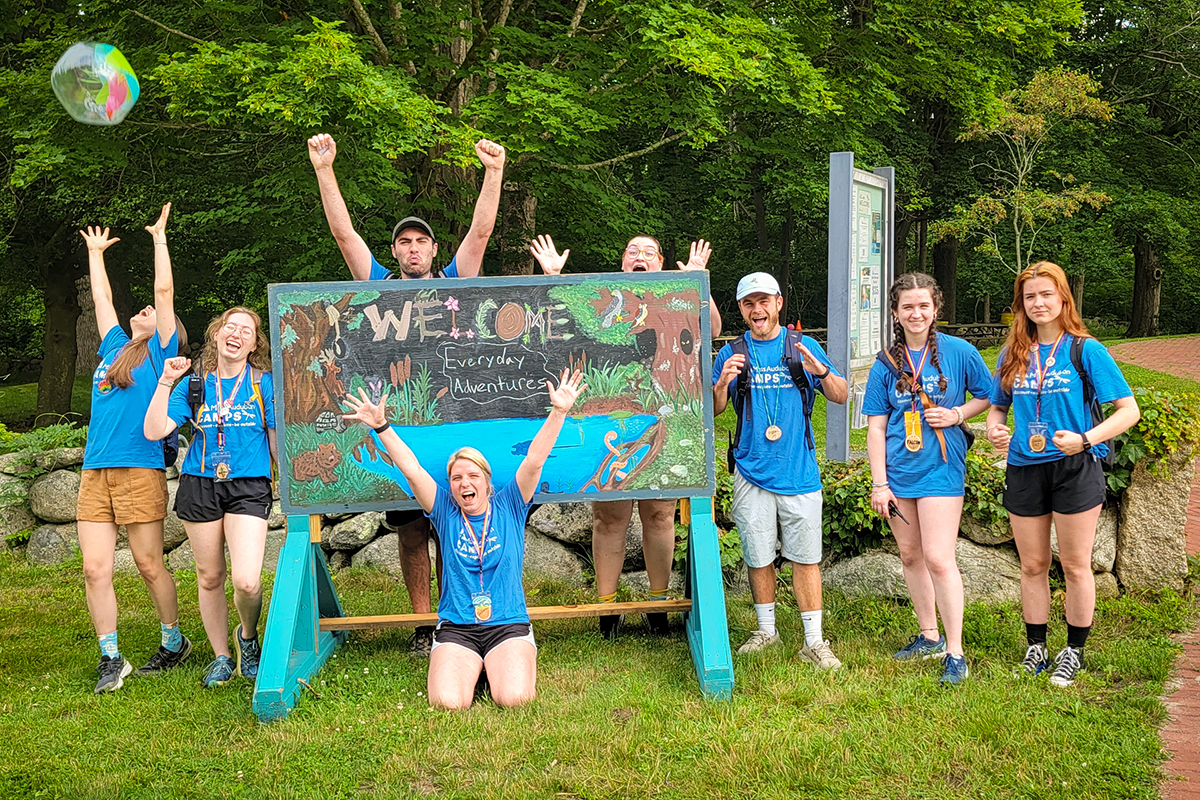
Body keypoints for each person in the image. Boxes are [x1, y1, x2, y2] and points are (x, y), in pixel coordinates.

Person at [307, 132, 507, 656]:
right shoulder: (379, 285)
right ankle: (425, 625)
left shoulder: (455, 280)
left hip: (454, 426)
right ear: (394, 251)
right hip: (396, 428)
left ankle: (459, 617)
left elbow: (482, 231)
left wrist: (493, 173)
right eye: (404, 242)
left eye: (421, 242)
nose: (413, 249)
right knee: (412, 530)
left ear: (433, 250)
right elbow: (344, 234)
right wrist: (325, 170)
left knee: (458, 522)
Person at [340, 368, 586, 709]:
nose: (464, 483)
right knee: (448, 703)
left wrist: (559, 411)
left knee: (513, 699)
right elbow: (411, 469)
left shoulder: (511, 504)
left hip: (507, 624)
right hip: (457, 628)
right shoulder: (444, 509)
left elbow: (535, 459)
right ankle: (476, 666)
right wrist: (381, 426)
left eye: (472, 475)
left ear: (487, 482)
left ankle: (497, 665)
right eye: (456, 477)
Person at [530, 233, 721, 637]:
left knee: (660, 513)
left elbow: (714, 328)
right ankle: (607, 609)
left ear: (661, 263)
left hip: (667, 416)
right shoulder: (604, 298)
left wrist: (699, 281)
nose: (640, 257)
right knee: (609, 516)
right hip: (615, 420)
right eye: (632, 252)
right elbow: (561, 324)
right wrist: (554, 278)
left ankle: (657, 605)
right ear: (622, 263)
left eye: (648, 252)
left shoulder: (678, 296)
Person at [987, 261, 1139, 687]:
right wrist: (997, 427)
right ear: (1021, 304)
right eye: (1030, 297)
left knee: (1074, 565)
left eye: (1046, 294)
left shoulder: (1085, 349)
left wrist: (1087, 439)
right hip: (1024, 466)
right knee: (1032, 564)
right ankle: (1036, 645)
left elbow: (1128, 411)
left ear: (1063, 299)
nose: (1038, 303)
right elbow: (998, 404)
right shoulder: (1012, 353)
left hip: (1075, 466)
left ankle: (1073, 651)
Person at [76, 205, 193, 693]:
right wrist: (95, 253)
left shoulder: (163, 352)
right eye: (142, 309)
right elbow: (101, 297)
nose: (143, 308)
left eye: (151, 312)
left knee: (148, 564)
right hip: (94, 472)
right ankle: (110, 658)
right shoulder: (113, 348)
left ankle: (173, 641)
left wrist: (159, 239)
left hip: (139, 470)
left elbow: (164, 293)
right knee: (93, 568)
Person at [712, 272, 848, 668]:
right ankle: (766, 631)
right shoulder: (732, 352)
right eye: (749, 304)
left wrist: (819, 371)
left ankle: (813, 641)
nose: (758, 310)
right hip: (751, 470)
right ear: (741, 309)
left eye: (764, 301)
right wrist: (721, 382)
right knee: (758, 556)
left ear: (778, 303)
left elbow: (839, 395)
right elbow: (717, 409)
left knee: (806, 557)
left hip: (798, 471)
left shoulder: (803, 347)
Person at [862, 273, 992, 686]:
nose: (916, 314)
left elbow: (989, 394)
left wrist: (956, 414)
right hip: (899, 474)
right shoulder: (886, 362)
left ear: (936, 309)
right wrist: (879, 483)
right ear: (896, 313)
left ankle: (955, 651)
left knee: (939, 557)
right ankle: (928, 635)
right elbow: (876, 428)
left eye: (923, 306)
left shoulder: (960, 351)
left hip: (941, 468)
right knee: (911, 557)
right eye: (907, 307)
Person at [144, 308, 278, 688]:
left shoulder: (263, 384)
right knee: (210, 576)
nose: (236, 334)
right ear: (217, 336)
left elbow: (275, 442)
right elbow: (155, 430)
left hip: (249, 484)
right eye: (229, 327)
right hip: (200, 484)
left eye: (246, 331)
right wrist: (166, 382)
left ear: (254, 345)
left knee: (248, 582)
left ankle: (247, 637)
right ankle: (221, 655)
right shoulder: (193, 385)